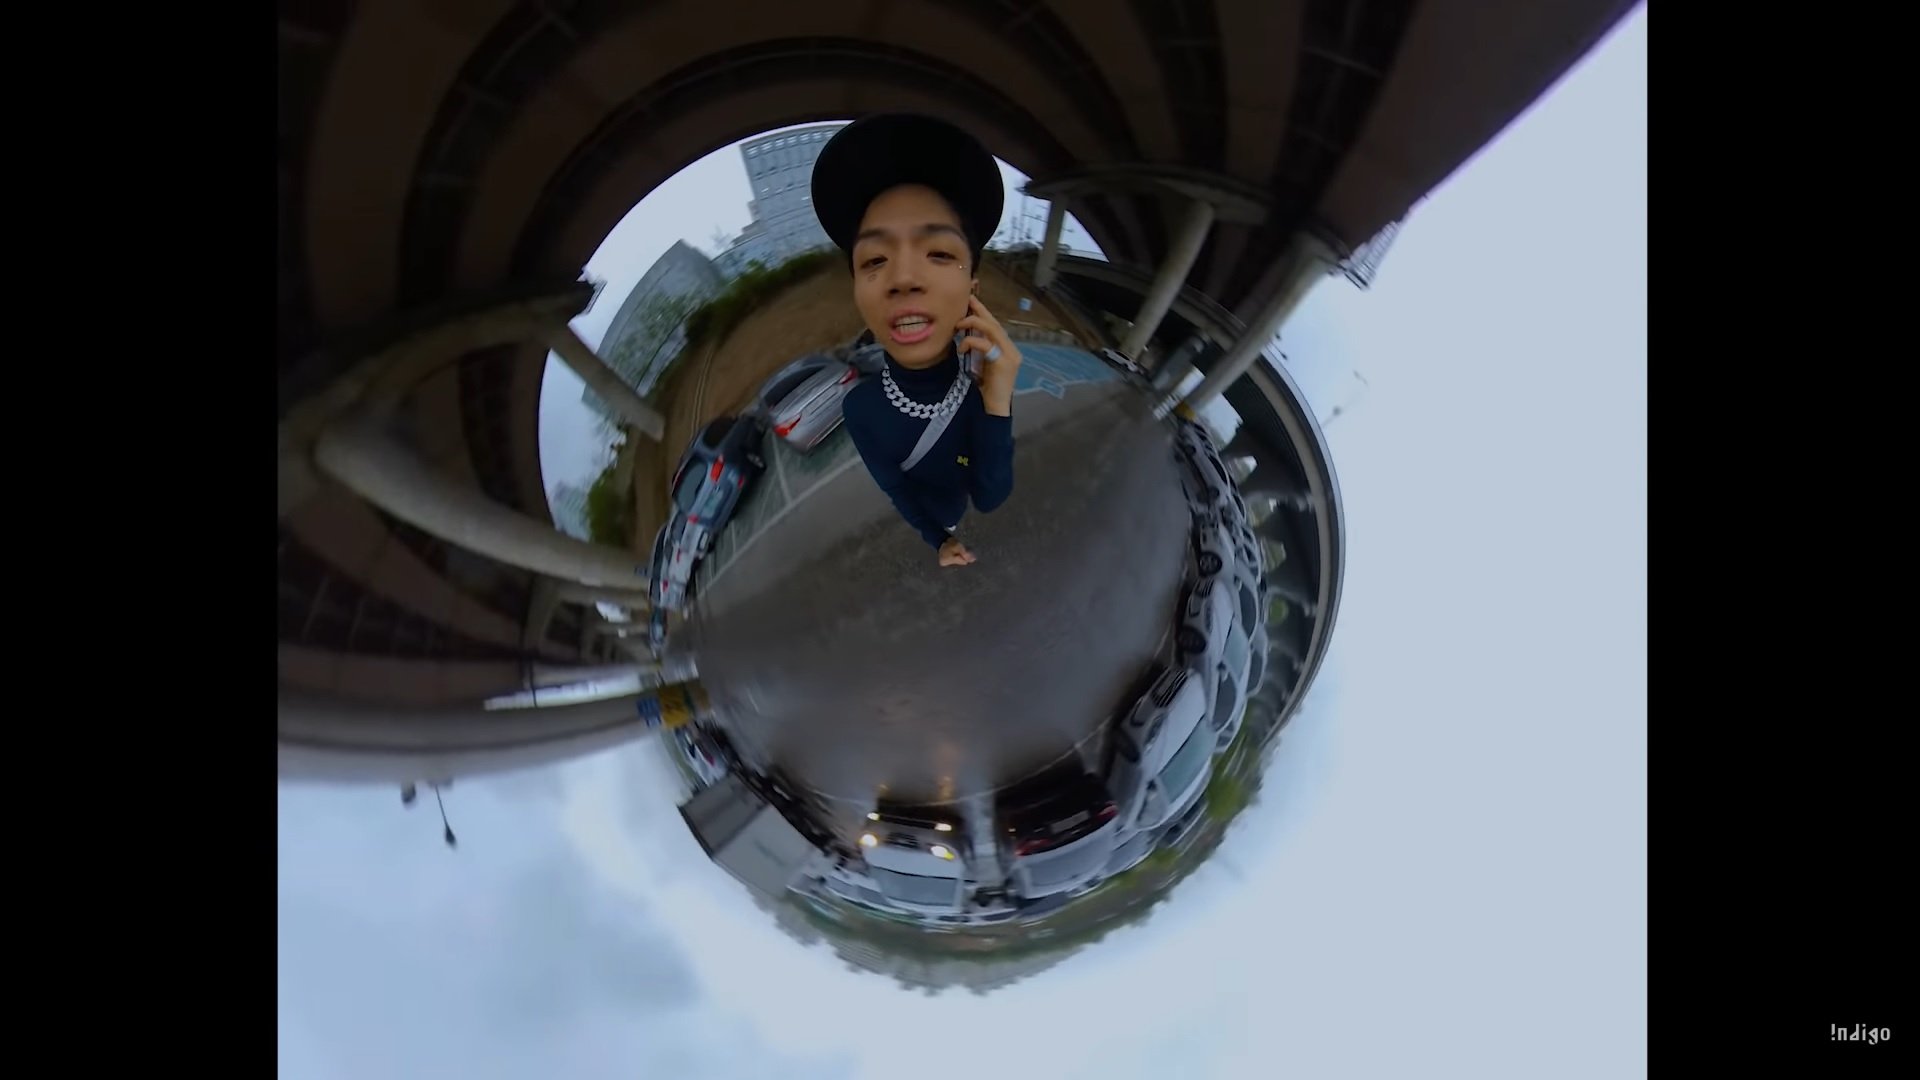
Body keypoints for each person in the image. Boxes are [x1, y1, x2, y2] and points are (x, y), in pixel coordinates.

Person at [811, 114, 1024, 568]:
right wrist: (938, 539)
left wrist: (998, 401)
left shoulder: (985, 387)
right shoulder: (860, 408)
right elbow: (896, 489)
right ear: (858, 293)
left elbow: (990, 497)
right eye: (874, 260)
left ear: (972, 290)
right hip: (940, 515)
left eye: (940, 253)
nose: (903, 278)